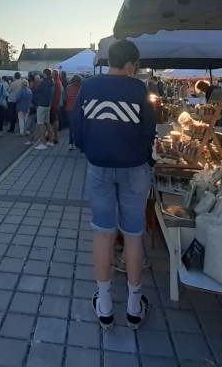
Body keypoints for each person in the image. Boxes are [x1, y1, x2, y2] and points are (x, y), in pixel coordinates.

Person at [71, 40, 155, 330]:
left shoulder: (90, 87)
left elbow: (78, 129)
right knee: (133, 235)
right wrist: (140, 155)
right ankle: (134, 305)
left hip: (100, 167)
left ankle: (104, 305)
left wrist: (93, 150)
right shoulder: (138, 89)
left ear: (110, 60)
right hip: (134, 169)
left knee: (103, 233)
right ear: (132, 64)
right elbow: (148, 132)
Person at [32, 68, 55, 150]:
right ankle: (51, 141)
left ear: (45, 74)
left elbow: (35, 91)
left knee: (40, 124)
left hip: (42, 105)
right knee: (47, 122)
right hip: (49, 105)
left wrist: (36, 101)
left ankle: (43, 143)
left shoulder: (44, 82)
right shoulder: (52, 82)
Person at [64, 74, 83, 150]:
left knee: (71, 127)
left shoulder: (68, 88)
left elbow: (65, 98)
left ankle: (70, 144)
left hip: (69, 109)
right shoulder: (81, 88)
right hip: (79, 109)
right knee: (79, 126)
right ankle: (78, 143)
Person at [50, 69, 64, 144]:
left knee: (54, 121)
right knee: (53, 121)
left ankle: (55, 137)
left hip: (54, 104)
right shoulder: (58, 82)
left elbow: (56, 95)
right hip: (56, 104)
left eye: (52, 73)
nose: (51, 74)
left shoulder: (55, 82)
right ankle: (54, 136)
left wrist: (54, 104)